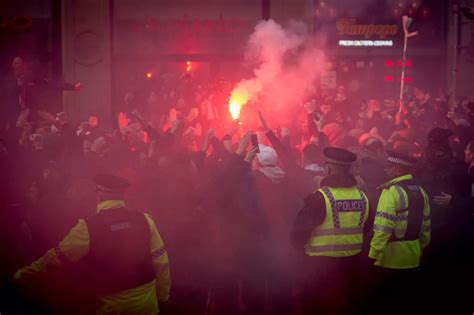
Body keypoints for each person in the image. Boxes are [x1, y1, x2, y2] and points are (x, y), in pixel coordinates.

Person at [14, 174, 171, 314]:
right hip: (147, 305)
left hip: (113, 307)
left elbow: (57, 257)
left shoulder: (87, 227)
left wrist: (27, 273)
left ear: (99, 195)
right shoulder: (145, 220)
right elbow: (161, 260)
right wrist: (163, 297)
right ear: (122, 196)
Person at [291, 147, 369, 315]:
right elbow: (366, 226)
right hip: (352, 266)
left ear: (328, 168)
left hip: (321, 268)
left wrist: (300, 251)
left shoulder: (321, 197)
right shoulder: (362, 196)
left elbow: (299, 232)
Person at [367, 150, 431, 314]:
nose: (385, 169)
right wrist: (420, 248)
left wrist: (373, 254)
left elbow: (383, 227)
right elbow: (426, 226)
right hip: (413, 257)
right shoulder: (421, 192)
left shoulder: (391, 192)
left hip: (390, 260)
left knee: (389, 304)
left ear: (399, 169)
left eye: (390, 166)